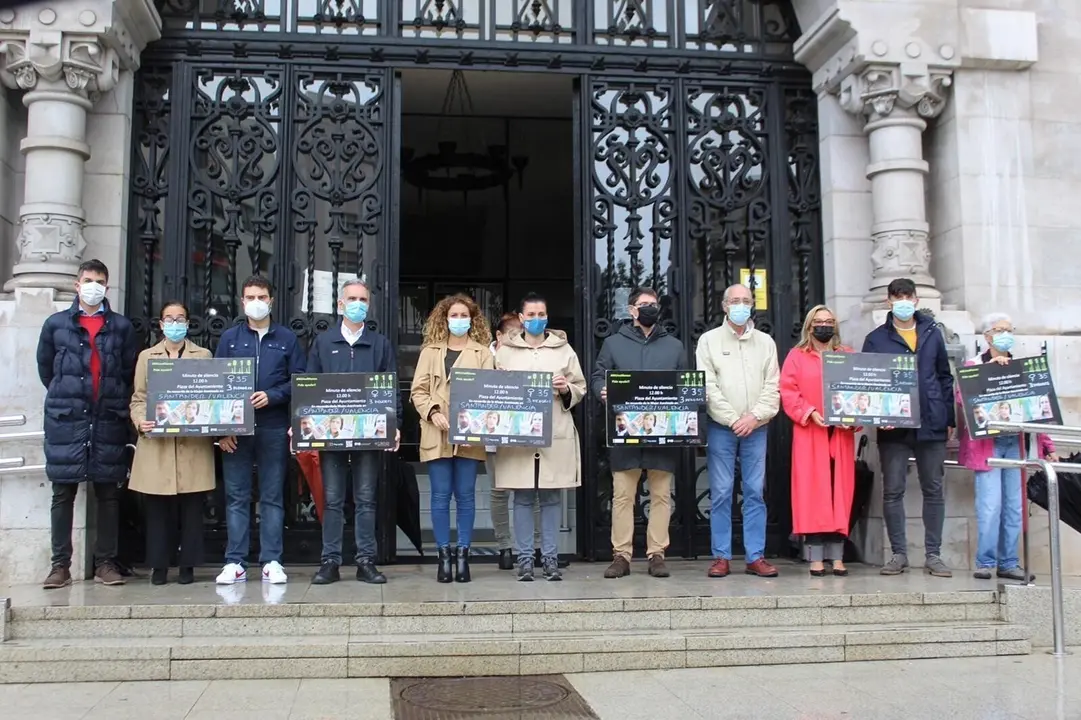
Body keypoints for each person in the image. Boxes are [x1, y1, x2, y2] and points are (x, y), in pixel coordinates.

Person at [36, 259, 138, 589]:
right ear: (77, 284)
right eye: (88, 280)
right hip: (67, 419)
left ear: (106, 287)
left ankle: (105, 562)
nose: (93, 286)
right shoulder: (55, 324)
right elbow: (46, 371)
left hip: (107, 417)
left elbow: (127, 372)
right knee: (62, 492)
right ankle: (60, 565)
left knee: (108, 492)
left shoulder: (121, 327)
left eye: (99, 281)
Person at [308, 278, 401, 585]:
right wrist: (304, 425)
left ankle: (365, 561)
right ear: (340, 304)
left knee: (365, 499)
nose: (358, 304)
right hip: (330, 434)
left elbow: (390, 387)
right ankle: (330, 562)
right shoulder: (323, 343)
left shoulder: (380, 344)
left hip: (369, 434)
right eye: (352, 299)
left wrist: (394, 424)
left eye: (363, 299)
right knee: (333, 499)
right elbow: (309, 386)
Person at [214, 275, 306, 586]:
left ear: (271, 300)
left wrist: (273, 396)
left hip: (273, 426)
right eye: (251, 296)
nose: (256, 302)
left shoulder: (286, 339)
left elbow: (299, 380)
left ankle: (272, 560)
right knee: (237, 496)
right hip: (235, 430)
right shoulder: (229, 339)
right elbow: (217, 383)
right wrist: (222, 430)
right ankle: (235, 562)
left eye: (262, 296)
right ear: (242, 301)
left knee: (271, 496)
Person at [861, 277, 955, 577]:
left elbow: (945, 376)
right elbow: (868, 381)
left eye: (907, 296)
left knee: (934, 489)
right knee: (893, 490)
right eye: (896, 296)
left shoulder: (932, 332)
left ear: (915, 299)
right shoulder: (876, 338)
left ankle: (933, 554)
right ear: (889, 301)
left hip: (931, 420)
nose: (902, 301)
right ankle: (898, 554)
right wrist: (877, 416)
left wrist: (949, 416)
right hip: (894, 427)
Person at [592, 286, 687, 579]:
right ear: (632, 310)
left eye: (654, 304)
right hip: (625, 433)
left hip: (662, 433)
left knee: (661, 495)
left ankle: (656, 554)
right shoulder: (612, 344)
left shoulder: (674, 346)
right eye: (644, 304)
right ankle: (621, 555)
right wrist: (602, 390)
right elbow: (597, 376)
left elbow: (685, 384)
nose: (650, 309)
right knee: (622, 495)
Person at [957, 313, 1056, 581]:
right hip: (987, 445)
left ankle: (1009, 562)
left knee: (1014, 506)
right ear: (987, 336)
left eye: (1009, 330)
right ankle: (985, 562)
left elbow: (1037, 408)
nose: (1005, 334)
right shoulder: (973, 364)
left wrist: (1048, 445)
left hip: (1015, 443)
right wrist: (990, 372)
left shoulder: (1022, 366)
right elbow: (961, 397)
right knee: (990, 506)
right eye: (999, 330)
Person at [495, 293, 587, 581]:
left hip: (554, 429)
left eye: (541, 314)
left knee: (550, 497)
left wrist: (564, 388)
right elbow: (491, 389)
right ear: (521, 319)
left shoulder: (564, 349)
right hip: (518, 432)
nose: (537, 320)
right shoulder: (504, 351)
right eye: (531, 315)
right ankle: (524, 560)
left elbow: (580, 387)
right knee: (521, 497)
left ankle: (549, 559)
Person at [695, 283, 780, 578]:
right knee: (720, 492)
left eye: (746, 300)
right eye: (735, 300)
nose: (741, 305)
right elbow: (707, 386)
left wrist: (754, 417)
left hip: (757, 428)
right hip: (722, 427)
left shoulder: (766, 343)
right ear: (724, 305)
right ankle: (721, 556)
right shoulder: (709, 341)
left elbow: (773, 386)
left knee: (755, 491)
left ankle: (755, 556)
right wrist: (734, 419)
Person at [128, 300, 216, 585]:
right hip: (157, 444)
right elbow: (138, 398)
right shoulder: (146, 357)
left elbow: (212, 396)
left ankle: (188, 566)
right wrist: (141, 421)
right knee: (157, 508)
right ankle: (159, 566)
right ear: (161, 324)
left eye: (180, 318)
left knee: (191, 508)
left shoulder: (203, 356)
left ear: (188, 323)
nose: (175, 323)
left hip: (191, 443)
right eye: (170, 318)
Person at [410, 294, 494, 583]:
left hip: (470, 436)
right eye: (454, 316)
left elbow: (489, 394)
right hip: (437, 433)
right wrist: (432, 412)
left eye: (464, 316)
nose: (459, 320)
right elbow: (417, 391)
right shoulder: (429, 352)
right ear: (444, 319)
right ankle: (443, 557)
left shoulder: (483, 353)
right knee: (440, 496)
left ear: (473, 319)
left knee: (467, 496)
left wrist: (477, 428)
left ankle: (464, 556)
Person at [780, 305, 858, 577]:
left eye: (829, 321)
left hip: (840, 434)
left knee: (840, 493)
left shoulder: (848, 356)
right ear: (810, 326)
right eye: (819, 321)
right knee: (813, 494)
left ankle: (837, 556)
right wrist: (809, 412)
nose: (824, 326)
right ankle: (814, 557)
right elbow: (788, 391)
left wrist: (853, 416)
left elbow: (859, 391)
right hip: (810, 433)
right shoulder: (796, 356)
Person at [485, 312, 538, 570]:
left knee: (531, 491)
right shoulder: (485, 358)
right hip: (494, 437)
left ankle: (535, 548)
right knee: (498, 493)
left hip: (523, 436)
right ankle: (504, 547)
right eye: (512, 335)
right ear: (499, 336)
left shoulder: (528, 354)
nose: (518, 339)